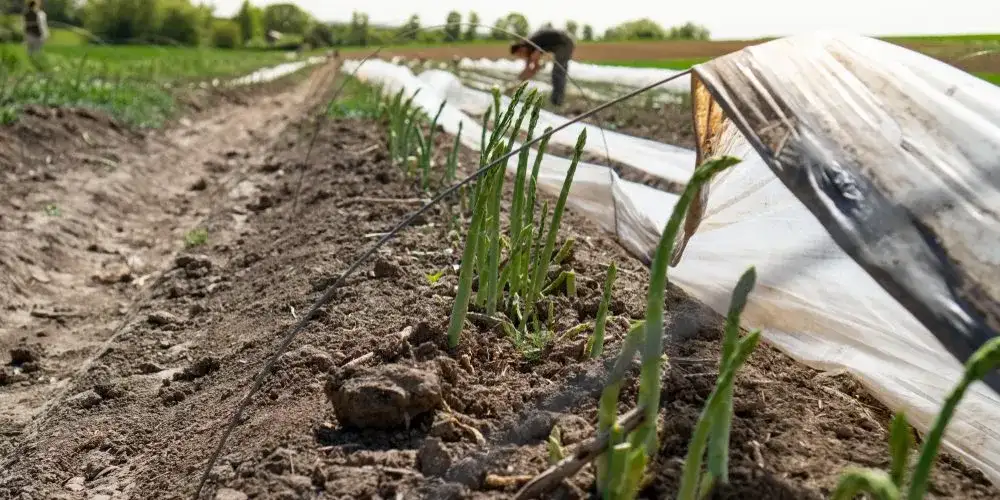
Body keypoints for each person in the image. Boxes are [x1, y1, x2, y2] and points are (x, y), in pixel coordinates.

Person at [509, 28, 575, 106]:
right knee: (558, 73)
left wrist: (519, 82)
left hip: (564, 42)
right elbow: (527, 69)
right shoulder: (528, 48)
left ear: (522, 48)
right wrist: (516, 81)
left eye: (520, 53)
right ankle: (557, 100)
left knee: (558, 73)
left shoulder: (531, 44)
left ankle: (557, 102)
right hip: (559, 44)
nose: (521, 56)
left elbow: (535, 68)